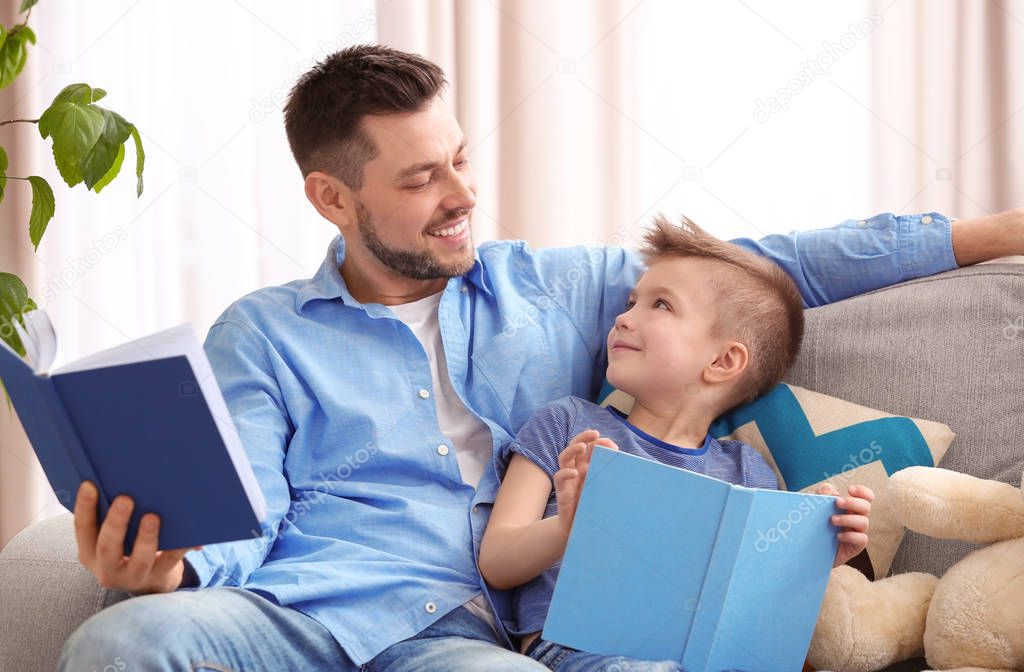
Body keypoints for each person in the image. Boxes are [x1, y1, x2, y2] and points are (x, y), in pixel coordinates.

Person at [60, 43, 1021, 672]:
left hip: (462, 637)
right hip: (297, 610)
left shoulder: (561, 289)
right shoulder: (261, 333)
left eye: (462, 159)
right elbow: (244, 514)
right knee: (124, 642)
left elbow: (777, 264)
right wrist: (174, 572)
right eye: (422, 177)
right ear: (332, 199)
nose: (461, 194)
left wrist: (998, 231)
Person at [479, 214, 874, 671]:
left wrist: (815, 560)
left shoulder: (747, 474)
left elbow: (754, 604)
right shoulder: (567, 424)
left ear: (723, 361)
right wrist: (569, 527)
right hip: (578, 650)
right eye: (631, 302)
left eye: (661, 305)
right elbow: (496, 562)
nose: (623, 318)